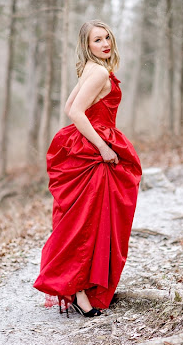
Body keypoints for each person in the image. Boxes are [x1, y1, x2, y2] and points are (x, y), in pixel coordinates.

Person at [33, 20, 142, 318]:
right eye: (97, 40)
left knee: (89, 219)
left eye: (107, 37)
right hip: (94, 150)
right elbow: (75, 111)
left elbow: (71, 105)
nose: (105, 43)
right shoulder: (97, 71)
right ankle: (80, 290)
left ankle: (85, 286)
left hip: (89, 145)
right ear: (87, 45)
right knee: (87, 222)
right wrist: (104, 148)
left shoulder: (91, 70)